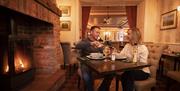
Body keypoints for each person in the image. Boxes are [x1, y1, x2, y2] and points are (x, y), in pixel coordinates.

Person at [76, 26, 113, 91]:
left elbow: (104, 51)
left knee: (111, 73)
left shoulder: (98, 41)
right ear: (91, 32)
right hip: (86, 63)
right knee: (86, 75)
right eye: (97, 32)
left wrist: (105, 49)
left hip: (98, 63)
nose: (98, 34)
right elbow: (78, 46)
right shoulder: (85, 40)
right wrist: (91, 43)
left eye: (99, 33)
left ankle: (102, 89)